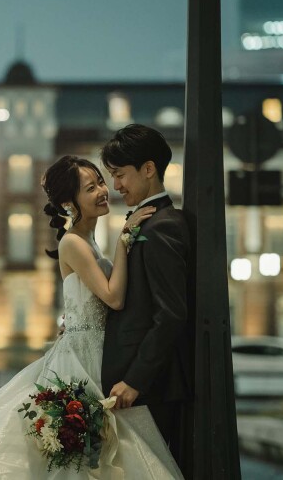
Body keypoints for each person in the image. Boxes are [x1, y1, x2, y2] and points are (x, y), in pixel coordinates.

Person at [0, 154, 182, 479]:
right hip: (82, 363)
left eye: (100, 183)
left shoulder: (89, 242)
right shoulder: (73, 243)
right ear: (69, 202)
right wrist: (125, 240)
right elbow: (114, 297)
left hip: (95, 354)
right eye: (90, 187)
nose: (102, 191)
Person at [100, 124, 190, 469]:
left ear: (148, 169)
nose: (116, 185)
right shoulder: (147, 223)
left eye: (119, 174)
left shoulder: (162, 226)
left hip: (150, 388)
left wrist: (135, 381)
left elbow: (170, 313)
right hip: (138, 387)